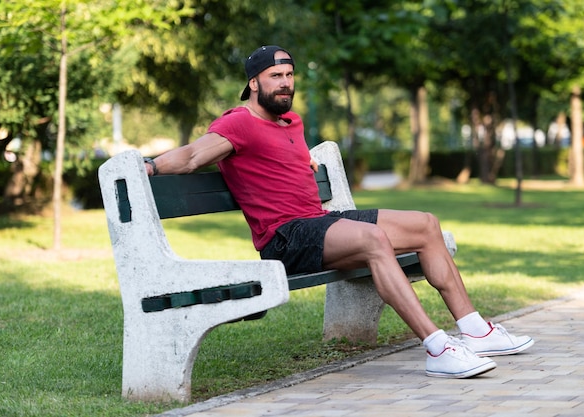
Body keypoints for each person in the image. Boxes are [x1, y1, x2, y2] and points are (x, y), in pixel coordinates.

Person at [144, 45, 534, 379]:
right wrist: (149, 167)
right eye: (275, 75)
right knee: (373, 239)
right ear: (253, 83)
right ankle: (437, 349)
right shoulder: (237, 124)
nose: (285, 83)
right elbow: (194, 155)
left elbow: (280, 157)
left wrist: (302, 164)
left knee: (426, 225)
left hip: (319, 223)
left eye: (289, 75)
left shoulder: (289, 122)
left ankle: (476, 330)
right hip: (286, 237)